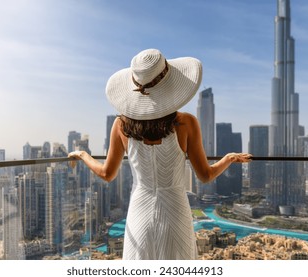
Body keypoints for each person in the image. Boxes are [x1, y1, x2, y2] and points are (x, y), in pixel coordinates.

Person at [68, 48, 252, 260]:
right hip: (175, 211)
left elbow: (107, 173)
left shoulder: (121, 124)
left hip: (139, 211)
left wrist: (83, 154)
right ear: (170, 85)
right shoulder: (186, 123)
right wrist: (228, 158)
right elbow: (205, 176)